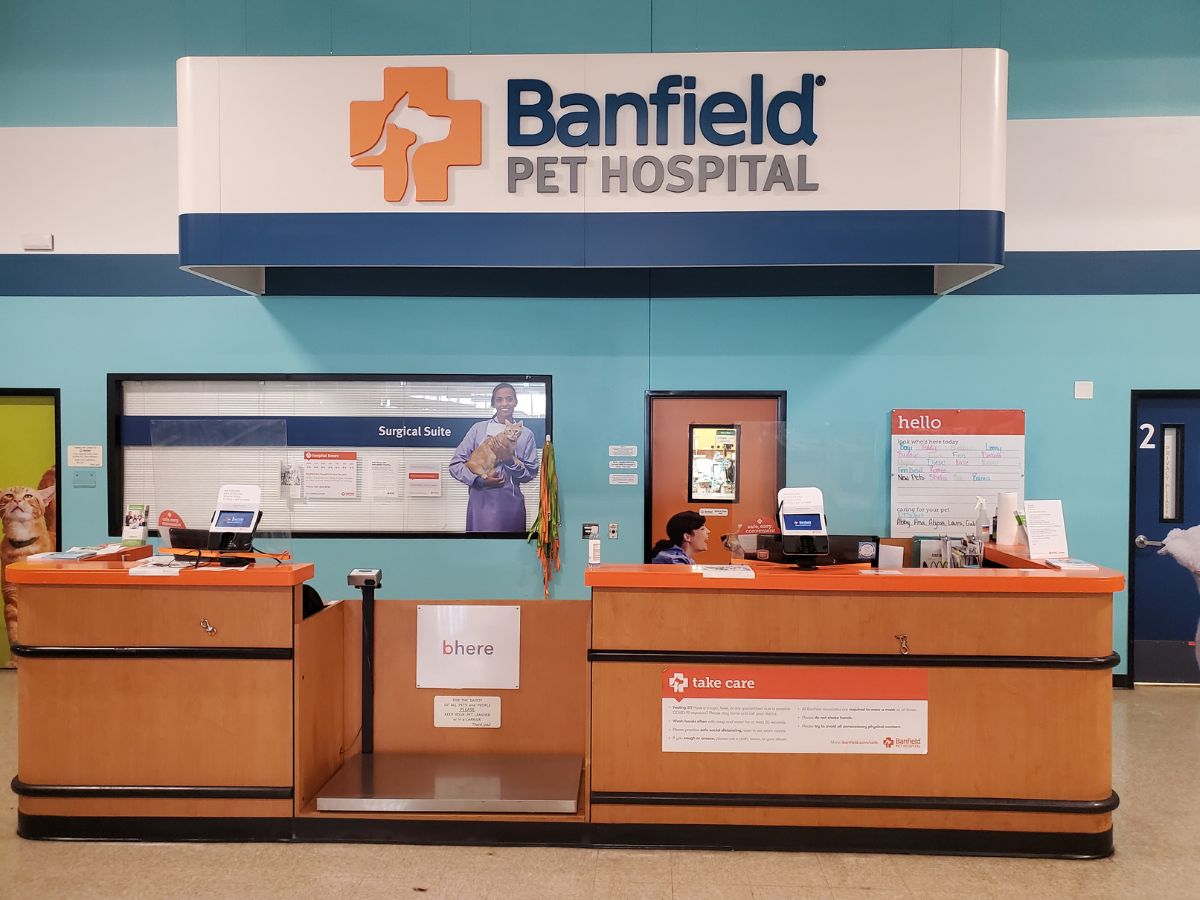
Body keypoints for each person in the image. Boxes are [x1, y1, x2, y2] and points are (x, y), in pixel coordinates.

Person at [448, 383, 540, 533]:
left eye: (509, 399)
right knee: (479, 552)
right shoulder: (478, 429)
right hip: (480, 503)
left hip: (510, 504)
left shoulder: (525, 434)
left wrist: (508, 459)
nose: (505, 403)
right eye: (499, 399)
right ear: (493, 403)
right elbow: (455, 465)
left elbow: (530, 473)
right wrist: (479, 481)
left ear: (516, 402)